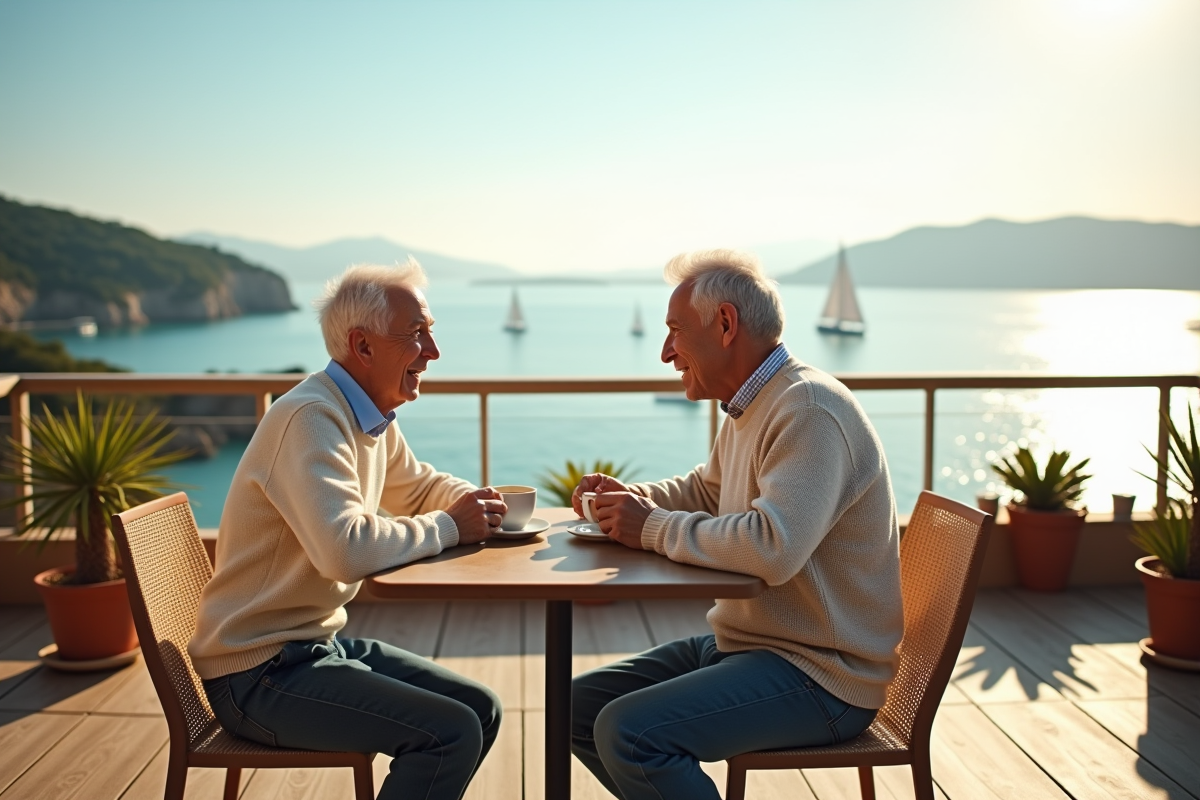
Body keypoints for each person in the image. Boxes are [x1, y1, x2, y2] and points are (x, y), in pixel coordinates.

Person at [570, 249, 903, 800]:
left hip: (820, 673)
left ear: (725, 324)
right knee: (577, 708)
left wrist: (649, 525)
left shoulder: (808, 410)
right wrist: (631, 500)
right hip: (752, 643)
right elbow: (706, 490)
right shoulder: (754, 403)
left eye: (676, 330)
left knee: (628, 732)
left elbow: (772, 547)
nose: (665, 352)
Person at [189, 259, 505, 800]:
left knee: (481, 708)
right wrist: (451, 526)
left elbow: (416, 487)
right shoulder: (311, 418)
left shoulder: (368, 415)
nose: (432, 352)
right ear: (362, 346)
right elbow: (345, 550)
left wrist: (475, 502)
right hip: (258, 675)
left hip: (311, 647)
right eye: (417, 335)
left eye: (430, 333)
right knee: (449, 733)